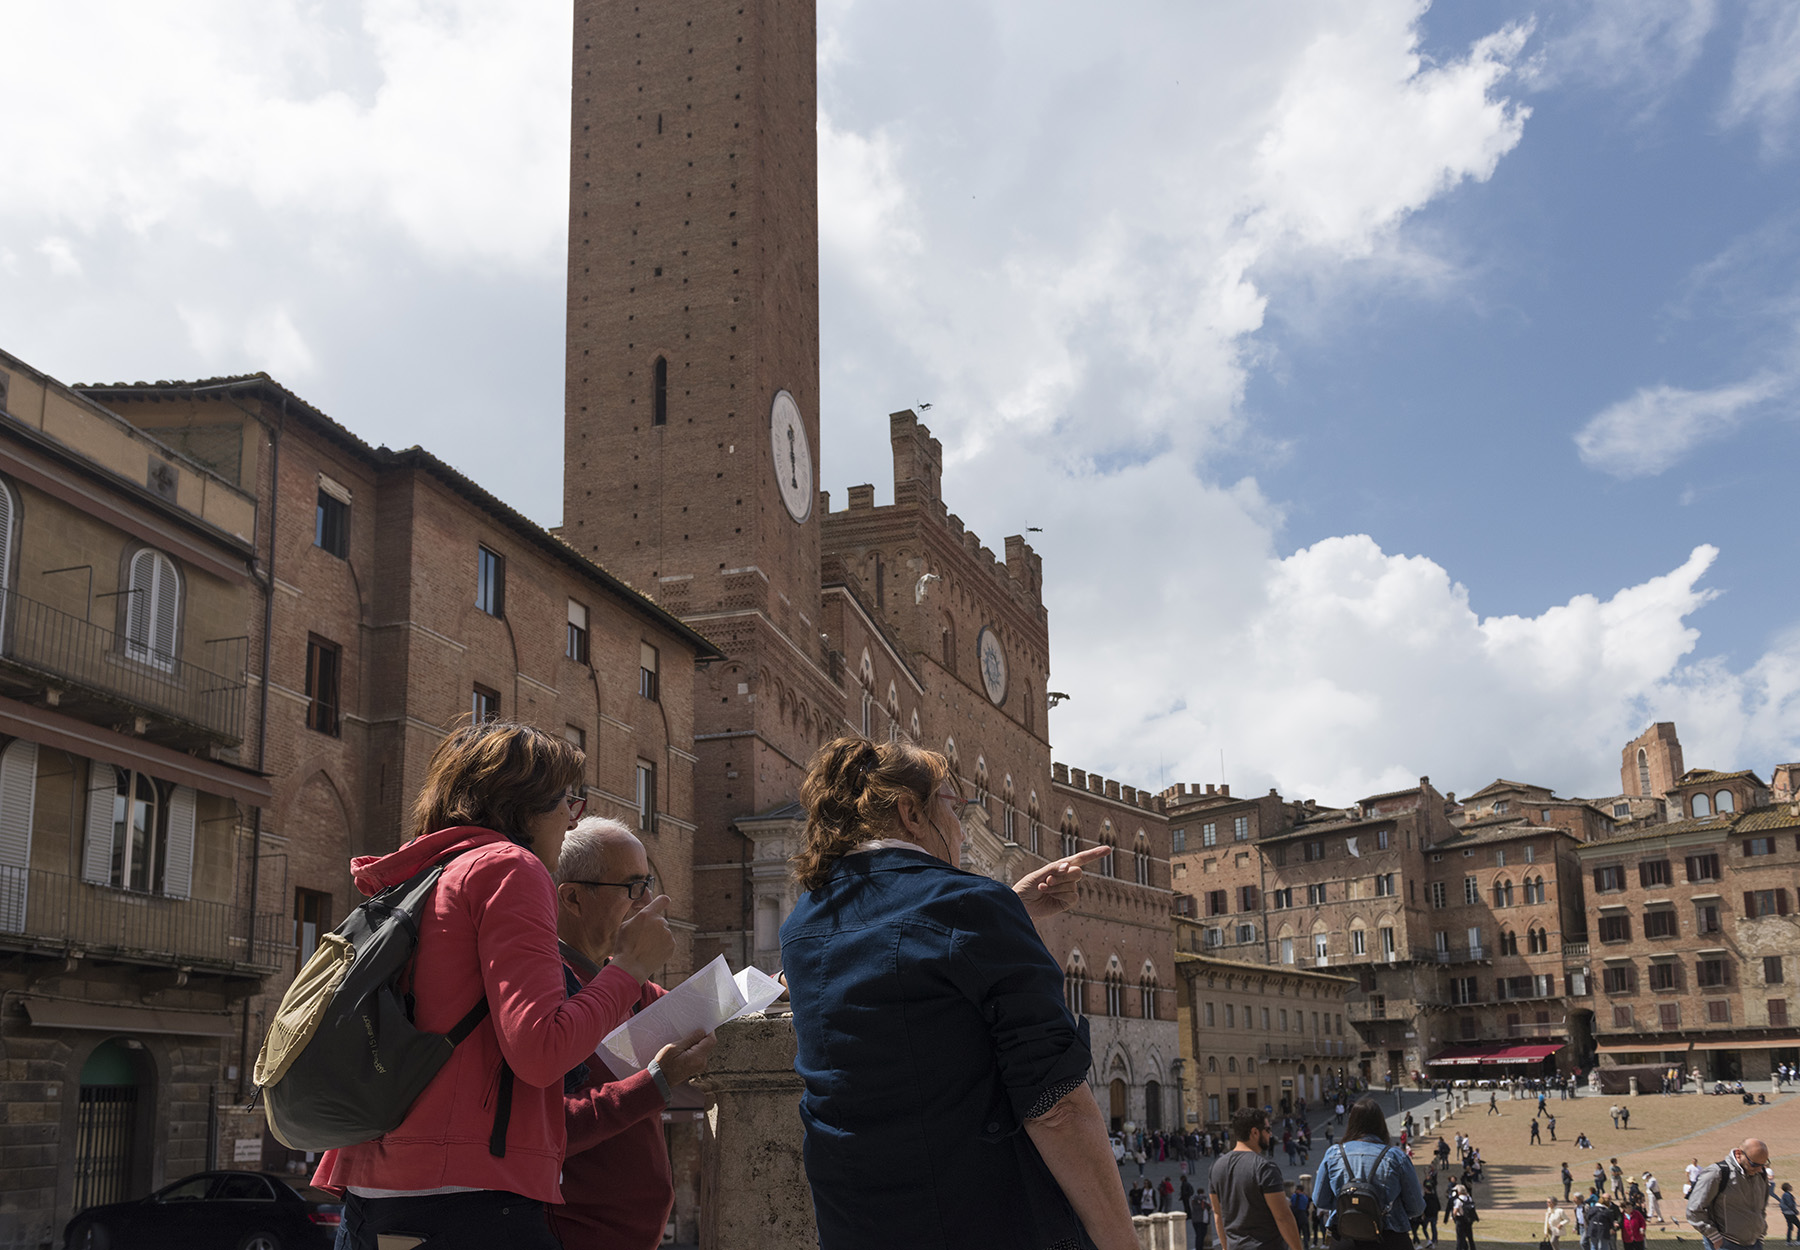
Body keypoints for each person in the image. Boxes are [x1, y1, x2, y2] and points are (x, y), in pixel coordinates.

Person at [313, 721, 666, 1250]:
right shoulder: (509, 867)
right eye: (567, 805)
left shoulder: (427, 872)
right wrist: (631, 966)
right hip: (465, 1202)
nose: (572, 824)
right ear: (525, 809)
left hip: (374, 1197)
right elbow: (541, 1049)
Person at [780, 736, 1134, 1250]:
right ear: (911, 813)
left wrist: (1007, 906)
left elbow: (890, 955)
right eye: (955, 807)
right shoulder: (969, 907)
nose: (962, 828)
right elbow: (1056, 1105)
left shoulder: (803, 925)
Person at [550, 818, 715, 1250]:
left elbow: (707, 1010)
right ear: (572, 898)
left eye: (649, 882)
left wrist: (777, 982)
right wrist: (656, 1081)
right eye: (632, 886)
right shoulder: (546, 987)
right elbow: (548, 1129)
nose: (649, 901)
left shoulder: (629, 985)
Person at [1311, 1097, 1425, 1250]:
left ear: (1351, 1123)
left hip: (1345, 1236)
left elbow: (1320, 1200)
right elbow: (1416, 1207)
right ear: (1381, 1124)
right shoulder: (1396, 1157)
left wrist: (1348, 1204)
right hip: (1389, 1236)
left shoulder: (1333, 1154)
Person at [1211, 1107, 1305, 1250]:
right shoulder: (1264, 1168)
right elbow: (1283, 1216)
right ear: (1255, 1132)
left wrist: (1225, 1248)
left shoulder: (1216, 1167)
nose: (1270, 1134)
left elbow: (1218, 1214)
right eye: (1268, 1129)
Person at [1687, 1137, 1772, 1250]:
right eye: (1754, 1164)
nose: (1760, 1169)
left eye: (1763, 1164)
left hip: (1754, 1244)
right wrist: (1714, 1237)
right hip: (1726, 1244)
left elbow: (1761, 1208)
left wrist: (1760, 1235)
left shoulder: (1761, 1174)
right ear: (1738, 1154)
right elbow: (1694, 1209)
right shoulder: (1716, 1174)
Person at [1450, 1185, 1479, 1250]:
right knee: (1470, 1237)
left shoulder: (1458, 1200)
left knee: (1460, 1237)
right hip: (1468, 1219)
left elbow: (1455, 1211)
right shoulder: (1469, 1198)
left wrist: (1453, 1217)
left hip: (1460, 1219)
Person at [1421, 1173, 1440, 1247]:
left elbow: (1423, 1207)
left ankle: (1429, 1240)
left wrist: (1423, 1214)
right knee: (1433, 1228)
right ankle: (1434, 1240)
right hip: (1434, 1215)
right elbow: (1439, 1206)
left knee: (1424, 1228)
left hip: (1428, 1215)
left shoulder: (1425, 1198)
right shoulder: (1434, 1197)